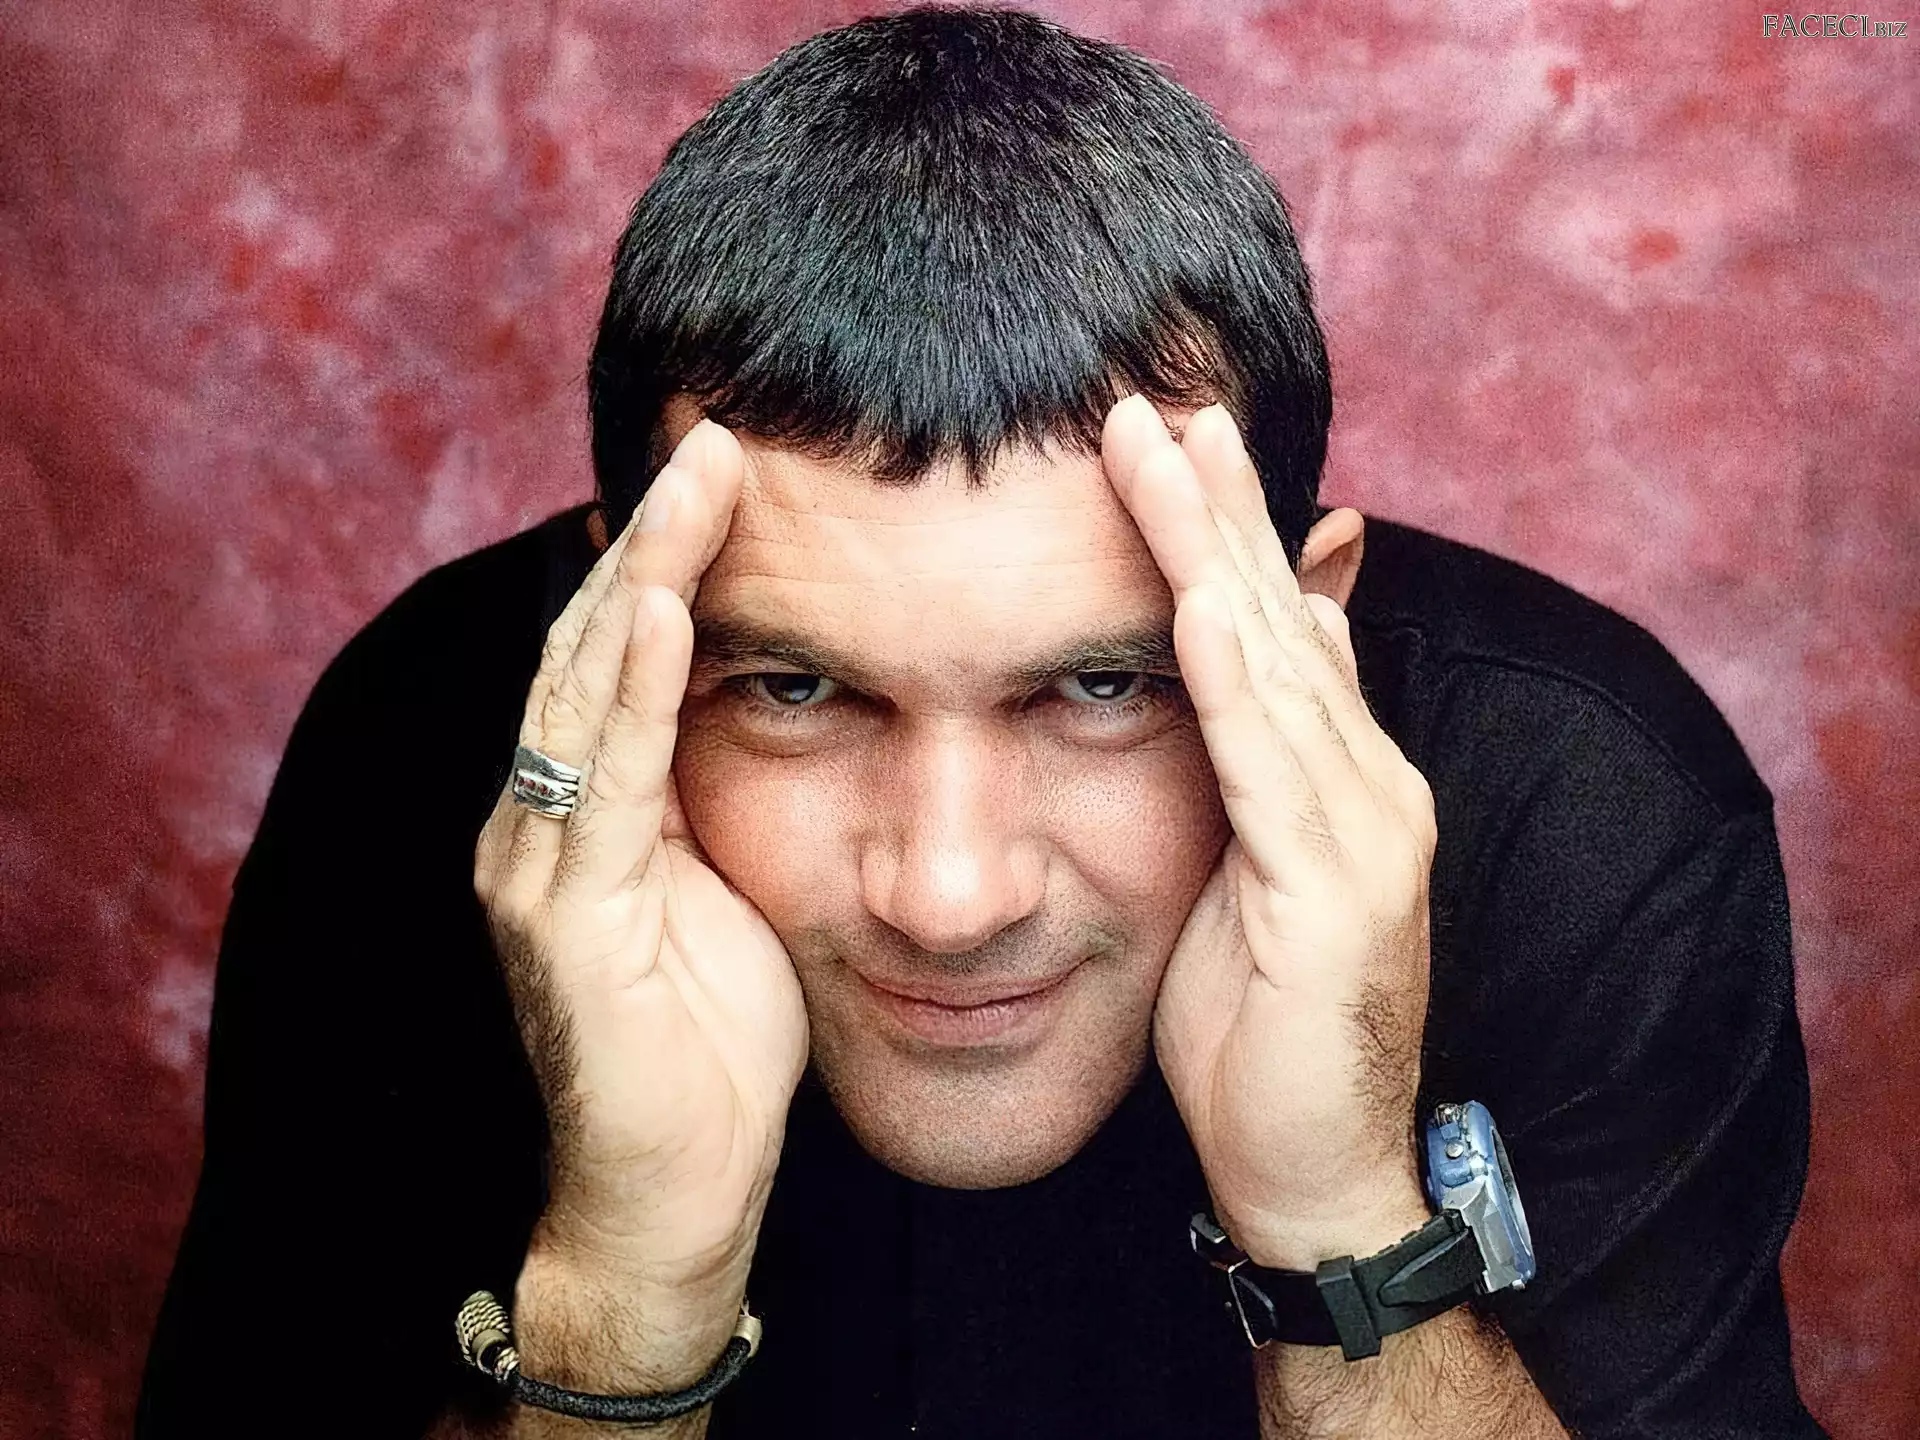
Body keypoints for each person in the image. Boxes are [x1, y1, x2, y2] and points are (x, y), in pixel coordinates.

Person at [137, 9, 1825, 1439]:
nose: (950, 898)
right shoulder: (434, 771)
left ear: (1307, 623)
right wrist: (625, 1296)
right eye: (793, 687)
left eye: (1103, 686)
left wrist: (1339, 1234)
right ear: (609, 634)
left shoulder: (1588, 815)